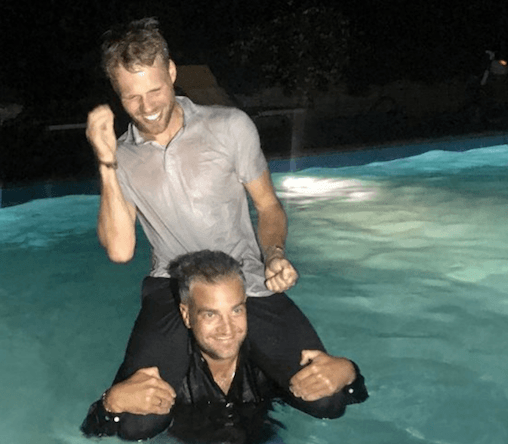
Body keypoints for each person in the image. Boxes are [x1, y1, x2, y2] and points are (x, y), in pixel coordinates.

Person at [84, 16, 352, 424]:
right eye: (132, 97)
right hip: (172, 285)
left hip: (244, 280)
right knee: (137, 422)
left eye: (155, 90)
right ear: (117, 93)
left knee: (327, 399)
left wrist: (274, 254)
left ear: (172, 72)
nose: (148, 107)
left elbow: (268, 206)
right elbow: (121, 251)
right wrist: (106, 161)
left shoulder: (229, 127)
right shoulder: (123, 155)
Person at [80, 250, 368, 441]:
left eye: (236, 310)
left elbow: (351, 398)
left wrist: (349, 372)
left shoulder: (267, 361)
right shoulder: (168, 366)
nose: (227, 329)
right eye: (210, 314)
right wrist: (110, 403)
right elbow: (93, 430)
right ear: (186, 315)